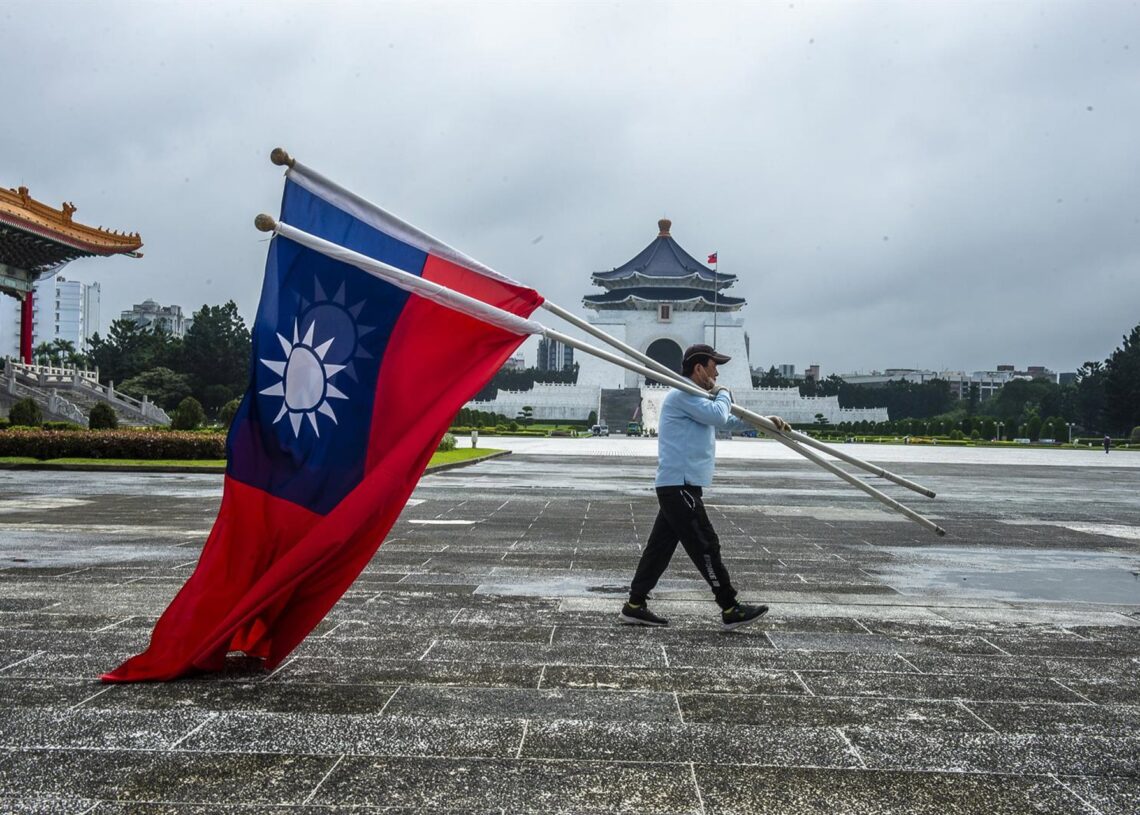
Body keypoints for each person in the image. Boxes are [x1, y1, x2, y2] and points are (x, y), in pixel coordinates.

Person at [619, 343, 791, 631]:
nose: (717, 373)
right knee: (705, 545)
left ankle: (634, 606)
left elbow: (727, 421)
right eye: (714, 366)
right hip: (680, 486)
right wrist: (723, 392)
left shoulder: (694, 397)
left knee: (659, 550)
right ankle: (730, 607)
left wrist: (764, 423)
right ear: (699, 368)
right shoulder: (683, 394)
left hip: (678, 486)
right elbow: (719, 415)